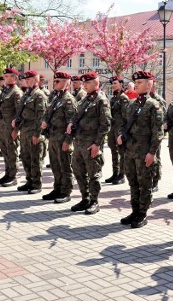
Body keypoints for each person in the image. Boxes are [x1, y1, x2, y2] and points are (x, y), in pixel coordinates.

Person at [118, 71, 164, 228]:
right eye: (135, 83)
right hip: (130, 150)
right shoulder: (132, 104)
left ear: (149, 84)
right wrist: (121, 135)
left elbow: (158, 132)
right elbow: (124, 124)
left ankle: (143, 213)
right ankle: (134, 211)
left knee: (145, 183)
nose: (136, 85)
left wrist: (152, 153)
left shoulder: (153, 106)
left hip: (144, 152)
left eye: (139, 82)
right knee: (133, 182)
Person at [66, 71, 111, 214]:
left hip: (91, 143)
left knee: (94, 174)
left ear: (96, 83)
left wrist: (97, 144)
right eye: (84, 83)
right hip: (79, 142)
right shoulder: (85, 99)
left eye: (88, 83)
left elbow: (106, 124)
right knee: (78, 171)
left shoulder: (101, 100)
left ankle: (94, 201)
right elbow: (76, 115)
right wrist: (71, 124)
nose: (84, 85)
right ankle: (85, 198)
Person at [41, 72, 78, 203]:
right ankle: (57, 188)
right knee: (55, 166)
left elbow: (71, 124)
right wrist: (44, 122)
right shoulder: (56, 98)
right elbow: (47, 113)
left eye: (58, 81)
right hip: (53, 137)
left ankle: (66, 191)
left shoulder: (68, 100)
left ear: (66, 82)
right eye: (54, 81)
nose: (54, 83)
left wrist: (68, 141)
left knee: (65, 167)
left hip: (62, 138)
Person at [14, 71, 48, 193]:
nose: (26, 81)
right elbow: (20, 113)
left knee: (35, 158)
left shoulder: (39, 95)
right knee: (25, 157)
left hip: (34, 131)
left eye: (28, 79)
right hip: (24, 131)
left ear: (35, 80)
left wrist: (37, 134)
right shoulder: (26, 95)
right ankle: (29, 181)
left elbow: (41, 116)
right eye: (25, 80)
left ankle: (36, 184)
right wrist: (16, 128)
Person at [0, 68, 23, 187]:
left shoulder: (16, 92)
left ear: (14, 78)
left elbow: (19, 113)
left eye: (7, 76)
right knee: (5, 152)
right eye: (4, 76)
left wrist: (16, 130)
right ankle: (7, 174)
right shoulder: (5, 91)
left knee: (12, 152)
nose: (4, 78)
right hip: (2, 127)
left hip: (10, 128)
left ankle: (13, 176)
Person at [105, 75, 131, 185]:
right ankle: (115, 173)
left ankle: (122, 174)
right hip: (113, 128)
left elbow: (126, 116)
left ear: (121, 84)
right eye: (112, 83)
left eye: (115, 83)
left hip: (120, 128)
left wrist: (124, 131)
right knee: (113, 151)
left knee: (121, 152)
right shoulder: (114, 98)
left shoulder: (123, 98)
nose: (113, 85)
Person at [150, 78, 166, 192]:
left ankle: (155, 181)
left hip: (155, 133)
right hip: (145, 134)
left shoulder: (158, 100)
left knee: (156, 158)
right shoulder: (144, 99)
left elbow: (162, 118)